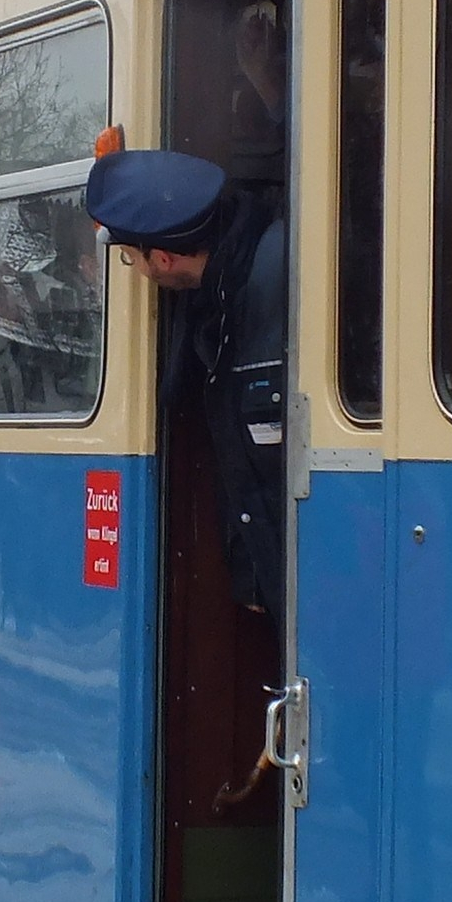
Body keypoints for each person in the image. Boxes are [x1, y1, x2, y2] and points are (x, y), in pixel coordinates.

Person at [86, 147, 286, 621]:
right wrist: (254, 572)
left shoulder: (271, 283)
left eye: (133, 261)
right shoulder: (222, 294)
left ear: (163, 258)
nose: (139, 273)